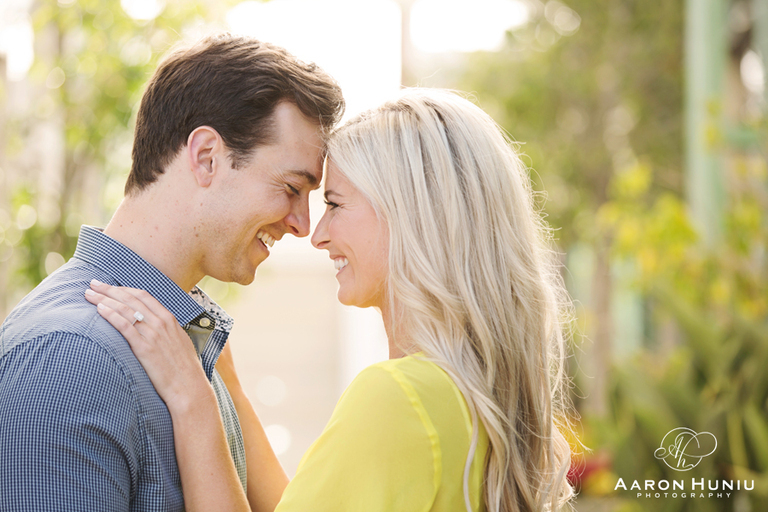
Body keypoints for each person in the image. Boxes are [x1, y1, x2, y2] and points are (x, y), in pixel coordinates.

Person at [85, 89, 576, 512]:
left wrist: (192, 399)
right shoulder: (466, 394)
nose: (316, 234)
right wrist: (226, 384)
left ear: (408, 215)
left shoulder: (396, 399)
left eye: (335, 204)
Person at [0, 33, 344, 511]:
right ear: (206, 157)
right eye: (290, 187)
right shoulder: (69, 361)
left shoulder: (187, 347)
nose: (302, 225)